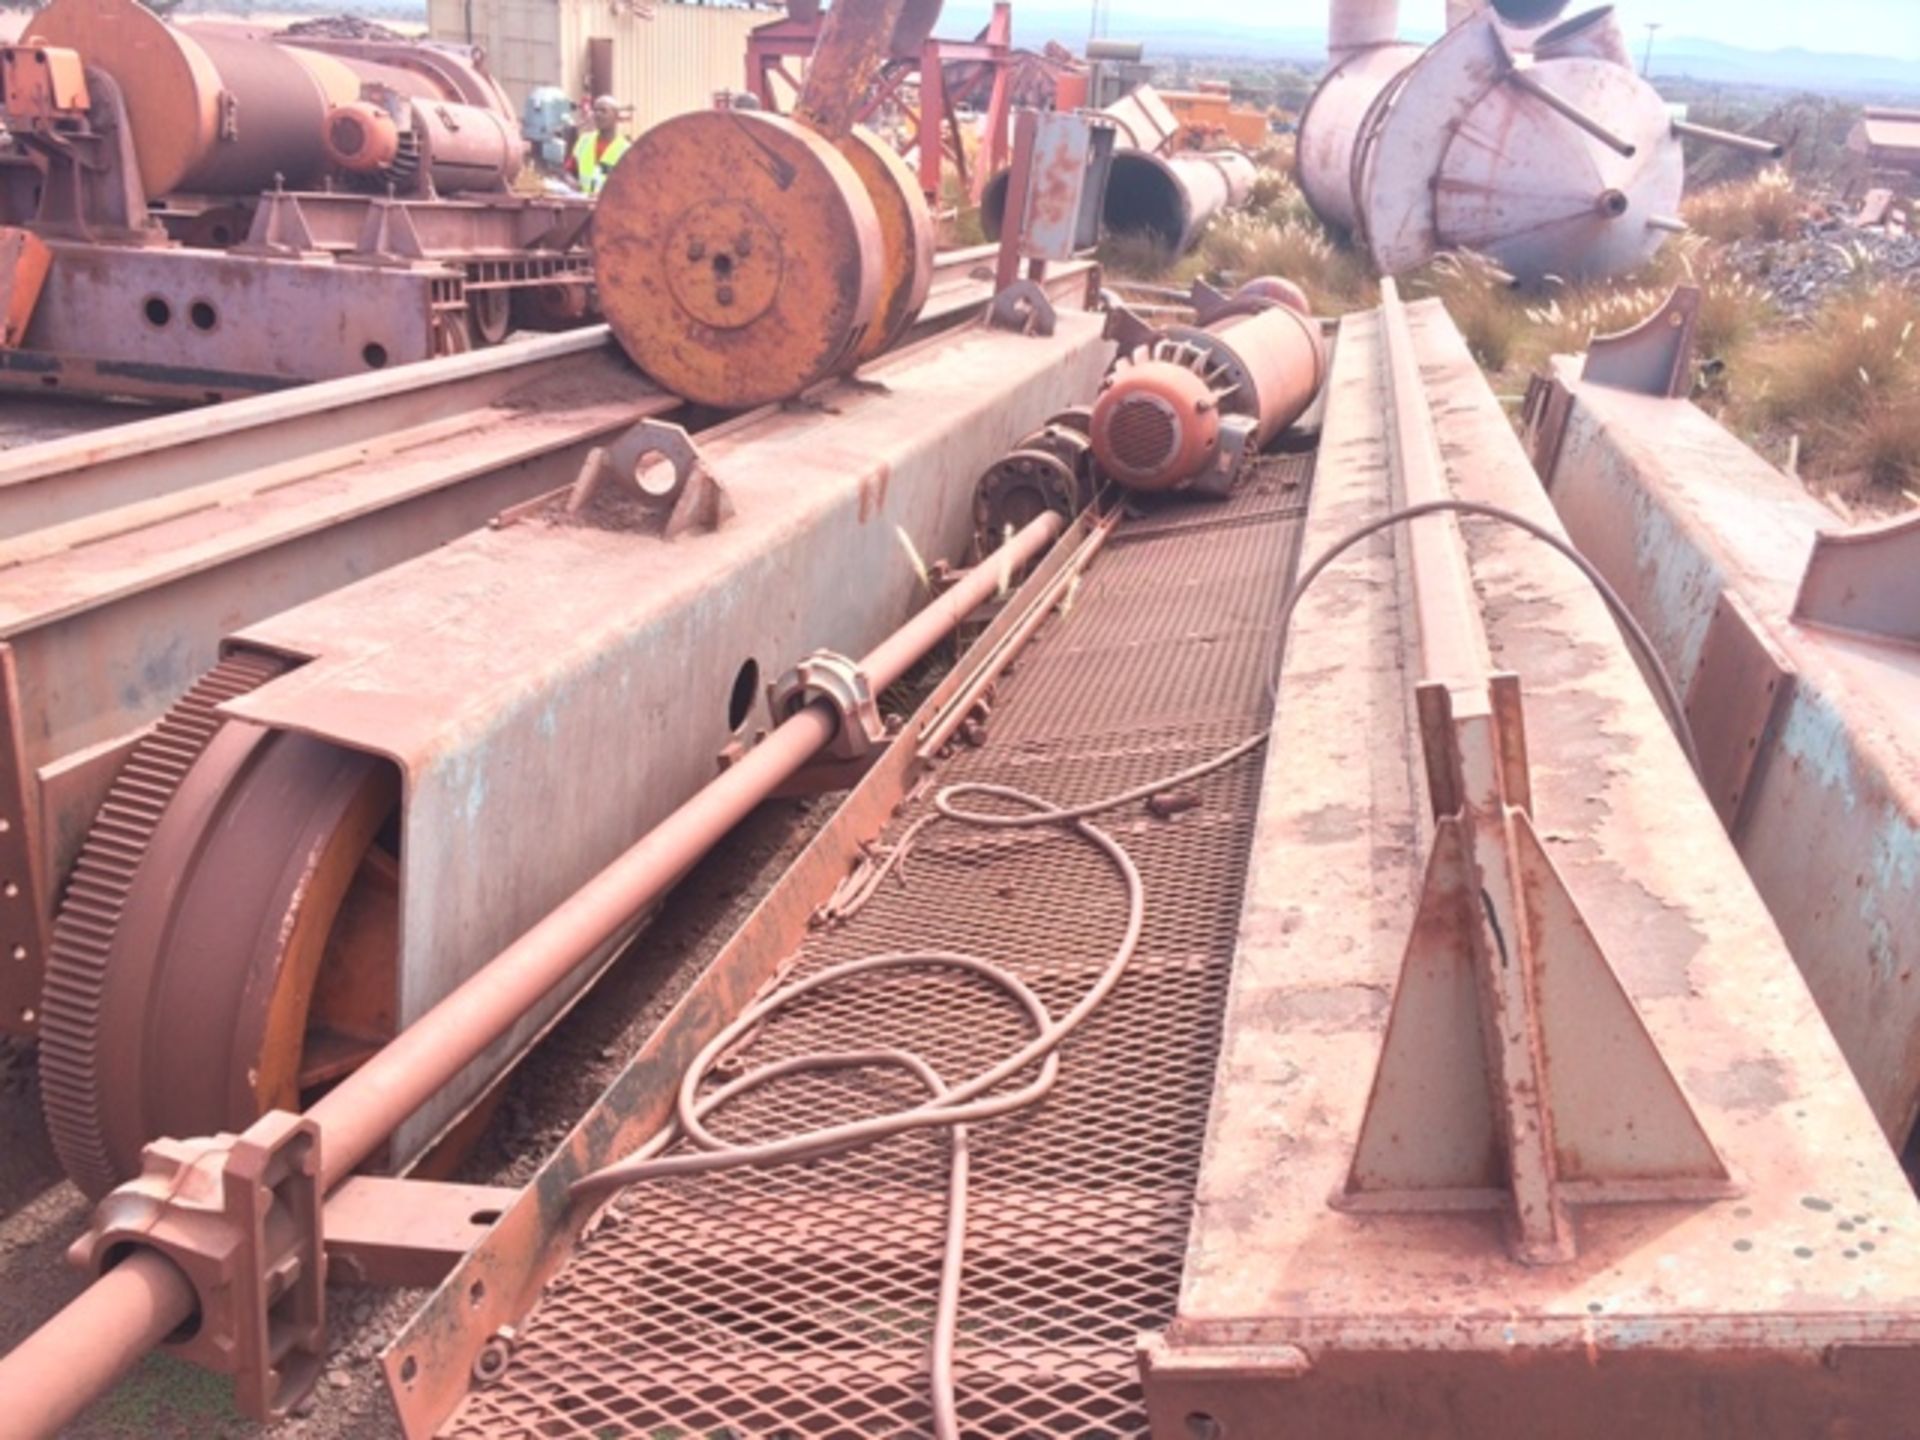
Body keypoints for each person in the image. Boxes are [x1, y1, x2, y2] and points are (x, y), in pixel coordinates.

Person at [568, 95, 631, 196]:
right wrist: (572, 183)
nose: (597, 114)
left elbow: (629, 186)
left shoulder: (626, 150)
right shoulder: (584, 141)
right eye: (595, 110)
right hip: (583, 206)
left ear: (615, 116)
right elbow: (569, 172)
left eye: (603, 111)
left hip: (609, 209)